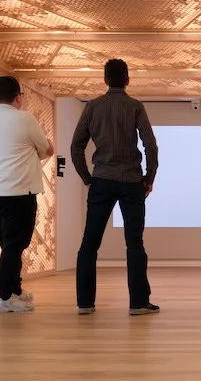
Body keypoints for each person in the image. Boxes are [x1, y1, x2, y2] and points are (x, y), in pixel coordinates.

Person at [71, 59, 161, 316]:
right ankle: (138, 303)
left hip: (101, 180)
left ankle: (85, 303)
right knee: (134, 243)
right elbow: (150, 145)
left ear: (105, 80)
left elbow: (76, 146)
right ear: (128, 80)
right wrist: (149, 178)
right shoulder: (135, 106)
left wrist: (87, 178)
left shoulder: (92, 107)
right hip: (131, 182)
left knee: (90, 242)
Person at [0, 76, 54, 314]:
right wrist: (37, 150)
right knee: (14, 245)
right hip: (17, 191)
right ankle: (4, 298)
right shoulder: (24, 118)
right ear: (18, 97)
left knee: (9, 245)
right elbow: (47, 149)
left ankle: (15, 291)